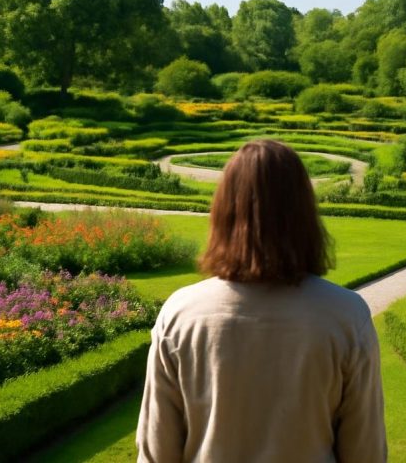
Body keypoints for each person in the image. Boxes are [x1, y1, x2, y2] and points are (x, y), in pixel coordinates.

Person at [136, 140, 387, 462]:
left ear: (225, 210)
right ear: (303, 213)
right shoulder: (345, 315)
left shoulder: (181, 314)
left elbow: (157, 453)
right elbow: (365, 452)